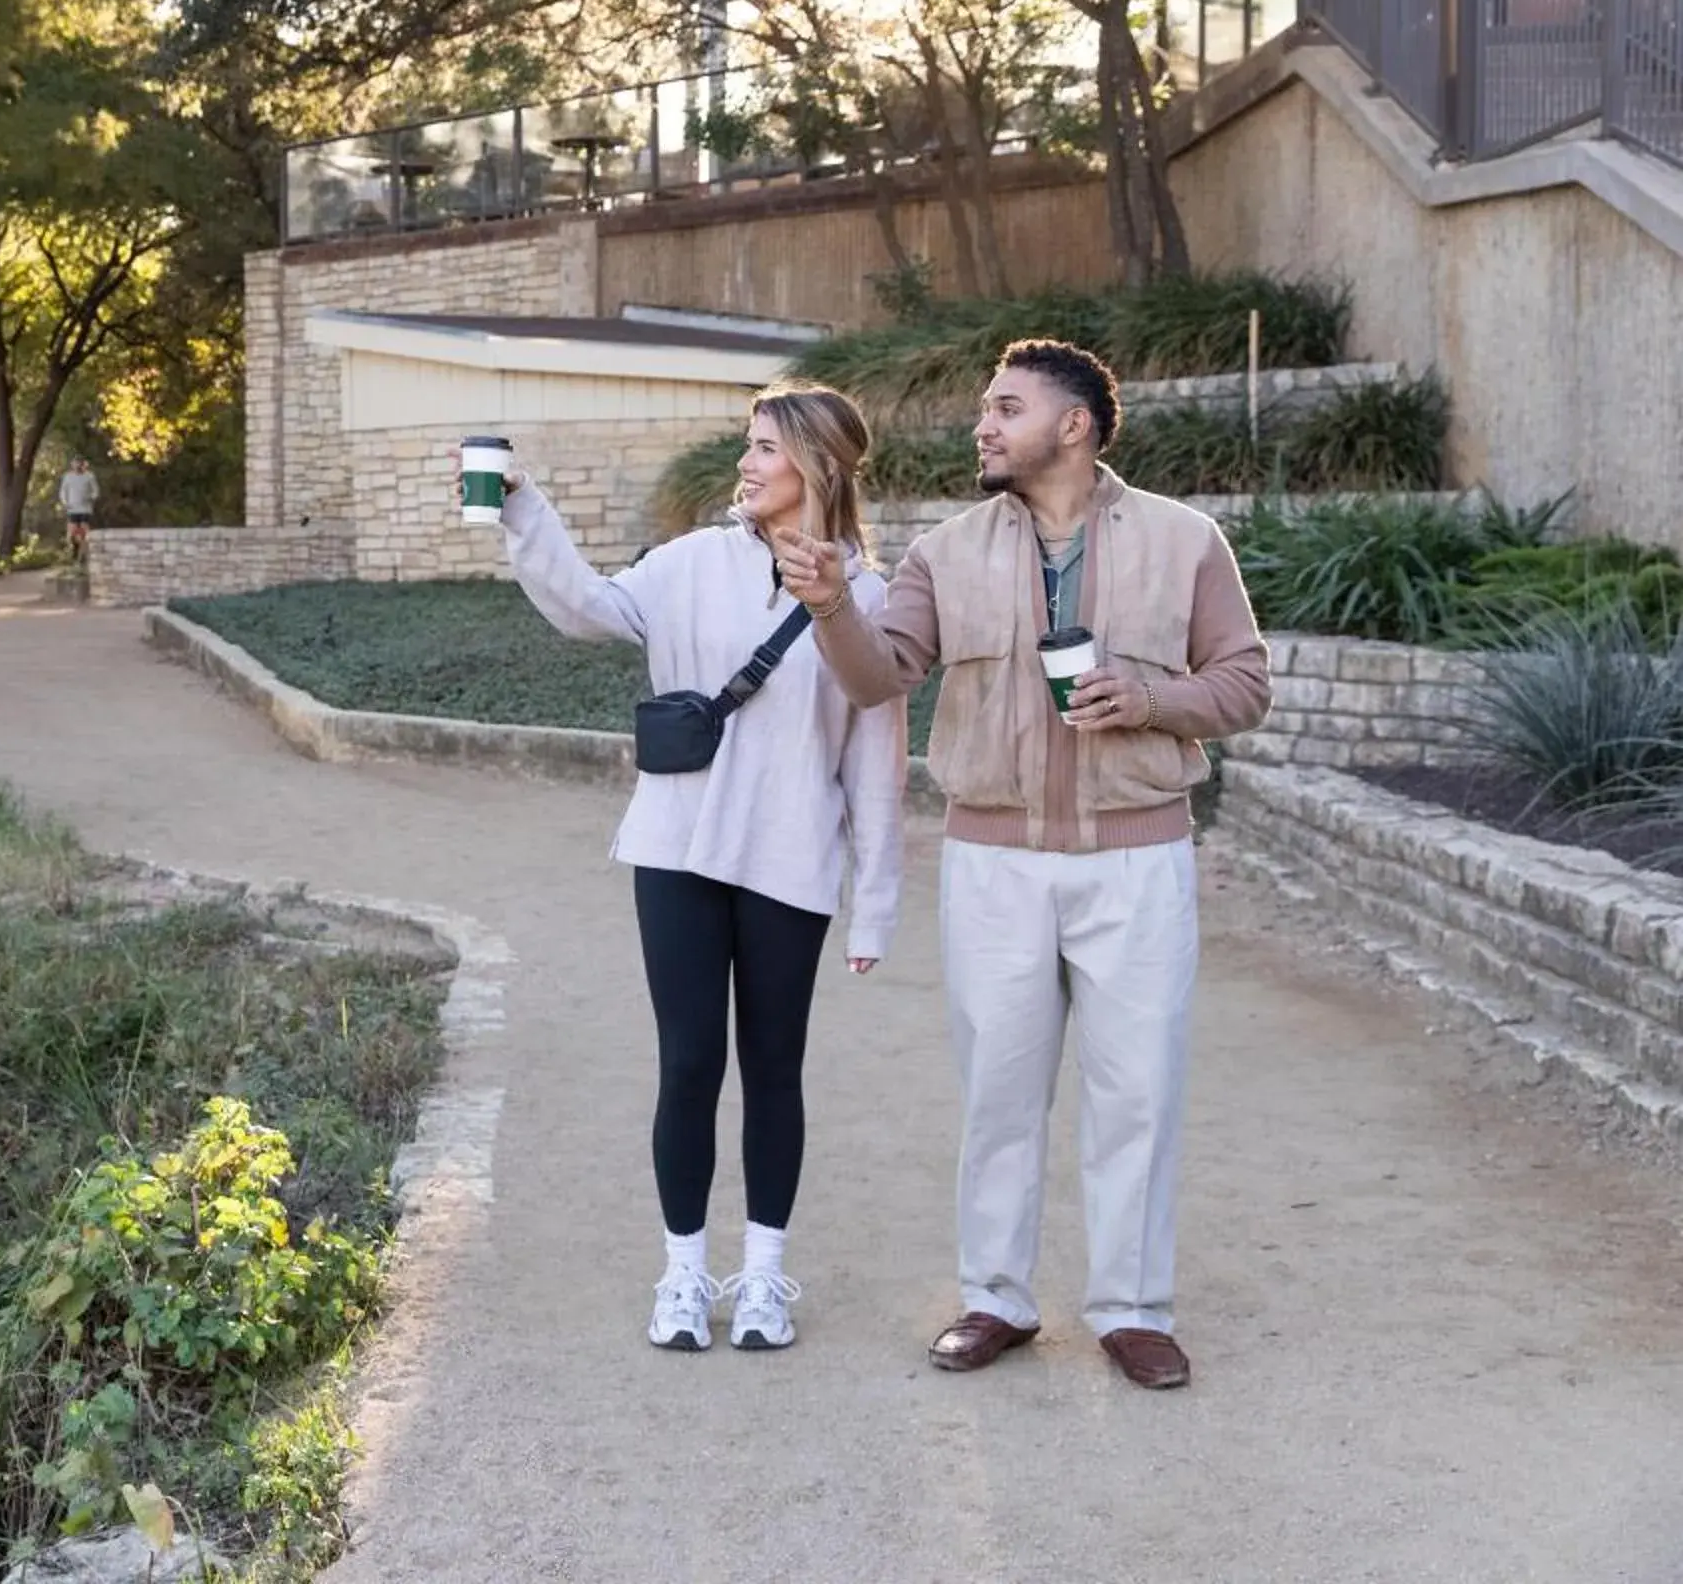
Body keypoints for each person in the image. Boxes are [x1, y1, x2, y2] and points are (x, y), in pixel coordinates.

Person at [772, 339, 1272, 1392]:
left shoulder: (1187, 541)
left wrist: (1151, 698)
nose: (983, 425)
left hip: (1139, 860)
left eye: (1006, 408)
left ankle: (1133, 1309)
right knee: (999, 1090)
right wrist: (828, 607)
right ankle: (995, 1294)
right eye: (984, 409)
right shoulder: (942, 553)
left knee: (1137, 1089)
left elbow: (1243, 682)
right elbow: (878, 677)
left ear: (1075, 424)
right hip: (992, 862)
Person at [498, 385, 903, 1354]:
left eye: (765, 448)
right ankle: (684, 1274)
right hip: (676, 849)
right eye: (748, 445)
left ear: (818, 465)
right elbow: (589, 608)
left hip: (790, 857)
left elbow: (875, 758)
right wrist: (522, 505)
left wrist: (874, 905)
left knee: (774, 1068)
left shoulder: (867, 596)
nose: (747, 463)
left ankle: (762, 1277)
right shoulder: (689, 562)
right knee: (687, 1062)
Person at [59, 457, 100, 560]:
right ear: (72, 465)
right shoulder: (68, 477)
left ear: (83, 465)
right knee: (72, 532)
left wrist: (91, 498)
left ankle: (85, 554)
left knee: (84, 529)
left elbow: (96, 491)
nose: (77, 466)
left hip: (85, 508)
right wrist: (65, 502)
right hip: (72, 508)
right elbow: (63, 491)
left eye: (79, 464)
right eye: (75, 464)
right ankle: (74, 549)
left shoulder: (89, 476)